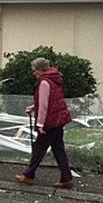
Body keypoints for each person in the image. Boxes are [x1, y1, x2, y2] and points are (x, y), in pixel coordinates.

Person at [15, 57, 74, 189]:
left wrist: (40, 124)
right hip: (59, 118)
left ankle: (29, 175)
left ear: (40, 70)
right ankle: (67, 178)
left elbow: (44, 105)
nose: (33, 73)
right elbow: (51, 99)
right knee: (58, 149)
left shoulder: (44, 83)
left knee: (39, 148)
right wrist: (34, 106)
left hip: (50, 121)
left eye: (34, 70)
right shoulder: (55, 78)